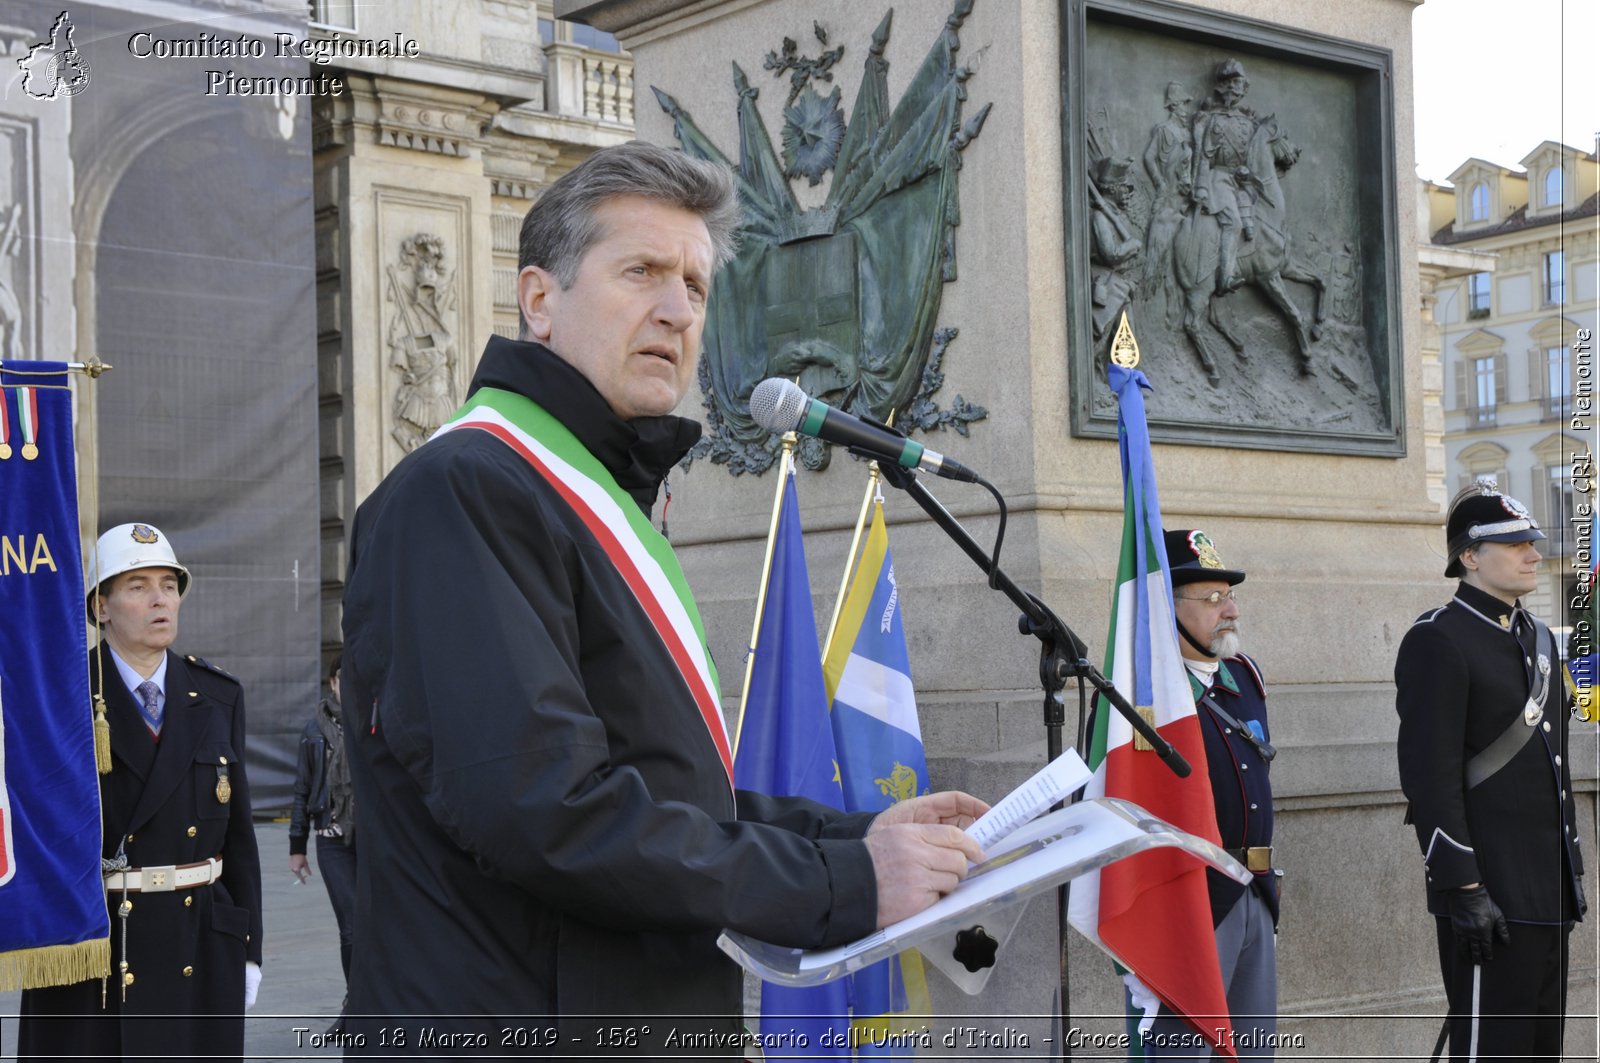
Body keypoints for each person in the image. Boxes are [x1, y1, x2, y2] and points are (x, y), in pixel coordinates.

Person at [339, 140, 987, 1054]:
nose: (677, 309)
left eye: (695, 283)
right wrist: (844, 884)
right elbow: (550, 811)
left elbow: (668, 792)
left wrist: (859, 834)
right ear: (539, 300)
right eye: (641, 270)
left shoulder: (593, 494)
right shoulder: (467, 490)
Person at [18, 522, 263, 1060]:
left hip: (198, 939)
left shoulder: (218, 695)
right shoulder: (59, 698)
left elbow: (239, 839)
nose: (161, 600)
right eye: (138, 586)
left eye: (169, 586)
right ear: (100, 607)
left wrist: (250, 950)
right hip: (96, 948)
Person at [1394, 481, 1585, 1061]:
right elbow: (1430, 780)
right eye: (1516, 544)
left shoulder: (1540, 639)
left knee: (1539, 1050)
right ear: (1469, 557)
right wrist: (1464, 887)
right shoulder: (1438, 640)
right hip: (1490, 892)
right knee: (1491, 1051)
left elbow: (1555, 767)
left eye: (1533, 541)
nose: (1533, 554)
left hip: (1548, 888)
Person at [1125, 529, 1279, 1059]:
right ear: (1167, 608)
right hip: (1189, 903)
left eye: (1230, 595)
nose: (1230, 609)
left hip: (1253, 888)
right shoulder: (1143, 695)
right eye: (1212, 599)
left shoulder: (1243, 676)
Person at [288, 652, 356, 1032]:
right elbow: (301, 791)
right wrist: (297, 846)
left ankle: (372, 999)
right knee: (352, 926)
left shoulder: (378, 723)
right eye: (343, 678)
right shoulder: (314, 730)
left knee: (380, 926)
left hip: (376, 841)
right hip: (332, 839)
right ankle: (356, 1001)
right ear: (333, 683)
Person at [1190, 59, 1262, 294]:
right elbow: (1203, 155)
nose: (1232, 87)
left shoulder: (1248, 122)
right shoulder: (1211, 119)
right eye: (1228, 82)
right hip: (1218, 180)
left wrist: (1247, 171)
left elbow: (1253, 157)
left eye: (1237, 82)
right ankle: (1225, 277)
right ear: (1220, 87)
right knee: (1234, 223)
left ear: (1244, 87)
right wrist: (1200, 186)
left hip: (1241, 183)